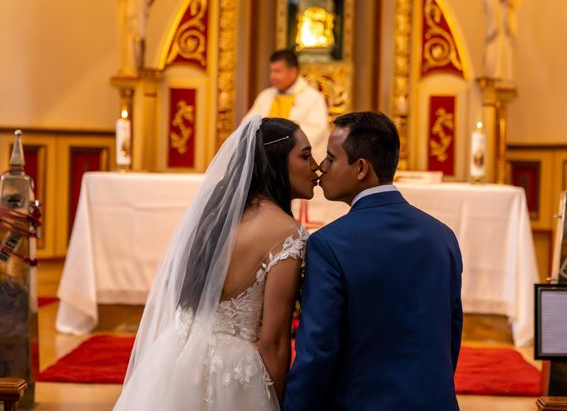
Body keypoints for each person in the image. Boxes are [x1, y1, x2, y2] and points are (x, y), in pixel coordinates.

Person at [114, 116, 319, 410]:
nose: (315, 166)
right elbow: (272, 343)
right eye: (305, 155)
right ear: (276, 161)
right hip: (235, 374)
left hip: (178, 355)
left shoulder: (216, 216)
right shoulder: (286, 233)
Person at [284, 112, 463, 411]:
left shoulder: (329, 245)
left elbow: (318, 349)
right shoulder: (443, 237)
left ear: (361, 168)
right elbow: (451, 333)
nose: (321, 167)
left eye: (331, 157)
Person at [245, 49, 329, 161]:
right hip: (265, 159)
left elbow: (315, 133)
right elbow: (248, 125)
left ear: (293, 72)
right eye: (271, 71)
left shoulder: (313, 98)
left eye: (277, 71)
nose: (272, 76)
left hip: (295, 162)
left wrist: (281, 147)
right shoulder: (265, 96)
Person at [482, 0, 521, 84]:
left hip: (507, 20)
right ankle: (494, 72)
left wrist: (510, 0)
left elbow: (517, 1)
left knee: (506, 46)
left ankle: (506, 74)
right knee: (495, 46)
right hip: (496, 20)